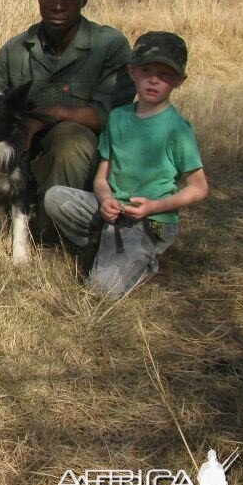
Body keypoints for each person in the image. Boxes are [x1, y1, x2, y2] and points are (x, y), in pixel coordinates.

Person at [0, 0, 135, 240]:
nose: (58, 3)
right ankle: (13, 204)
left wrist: (50, 116)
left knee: (69, 138)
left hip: (82, 157)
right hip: (21, 150)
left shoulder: (109, 45)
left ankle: (53, 231)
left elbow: (111, 114)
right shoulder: (17, 48)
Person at [44, 32, 208, 298]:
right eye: (147, 71)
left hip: (151, 220)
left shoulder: (177, 129)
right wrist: (106, 198)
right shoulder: (118, 117)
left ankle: (149, 262)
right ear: (132, 72)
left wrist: (154, 206)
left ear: (179, 81)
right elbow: (101, 176)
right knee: (55, 198)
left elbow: (198, 188)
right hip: (115, 211)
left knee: (101, 291)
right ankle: (106, 248)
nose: (154, 80)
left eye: (165, 74)